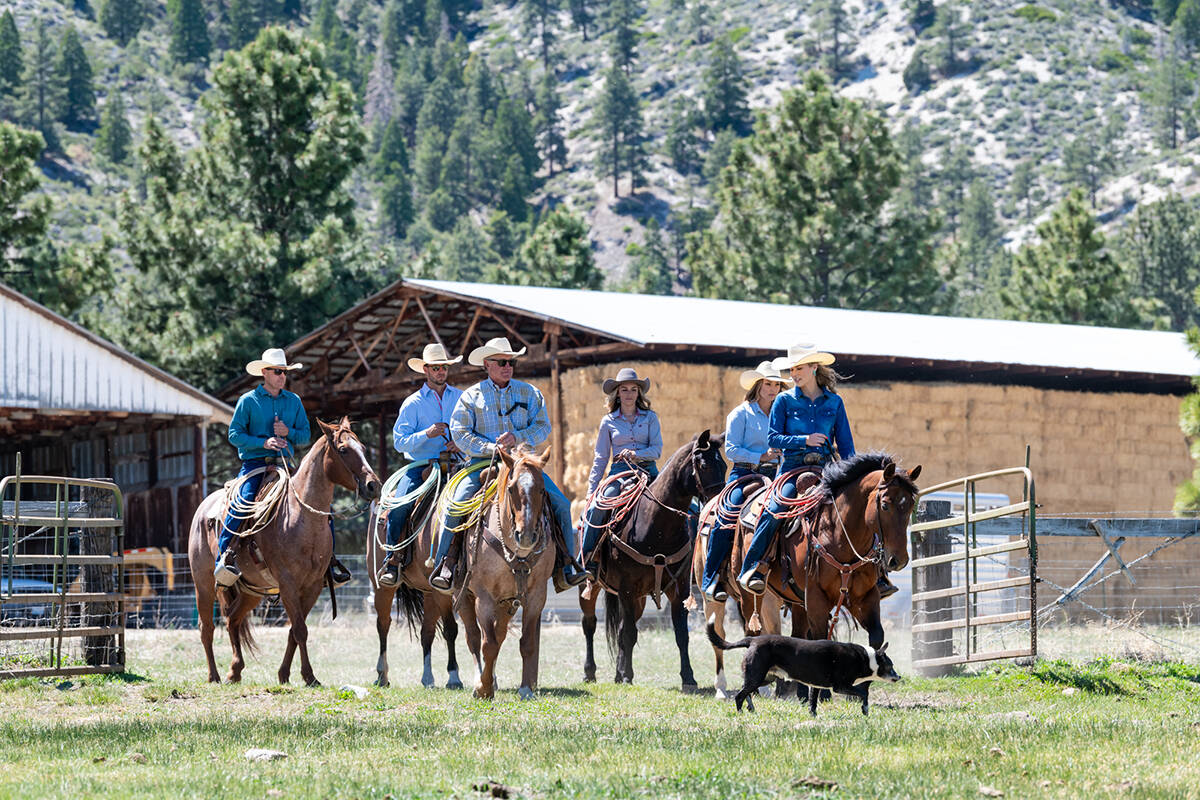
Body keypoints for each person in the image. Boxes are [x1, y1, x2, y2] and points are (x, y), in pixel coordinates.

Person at [431, 337, 587, 593]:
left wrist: (518, 437)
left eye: (510, 362)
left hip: (523, 465)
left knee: (561, 503)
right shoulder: (471, 396)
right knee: (453, 505)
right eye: (502, 362)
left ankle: (567, 566)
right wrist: (493, 448)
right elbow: (459, 433)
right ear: (487, 364)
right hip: (483, 463)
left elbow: (542, 426)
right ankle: (444, 565)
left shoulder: (530, 392)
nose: (508, 366)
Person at [216, 348, 353, 588]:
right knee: (243, 500)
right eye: (278, 371)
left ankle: (328, 560)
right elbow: (234, 434)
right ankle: (225, 554)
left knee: (322, 507)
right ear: (265, 372)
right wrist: (263, 442)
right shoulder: (248, 401)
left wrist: (288, 433)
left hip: (287, 465)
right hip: (256, 464)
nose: (282, 376)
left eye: (284, 372)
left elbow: (304, 436)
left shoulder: (294, 401)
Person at [736, 343, 854, 596]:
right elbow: (773, 439)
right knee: (774, 509)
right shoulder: (784, 400)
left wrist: (851, 476)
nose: (794, 374)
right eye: (792, 369)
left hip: (825, 469)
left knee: (854, 509)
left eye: (799, 368)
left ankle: (875, 574)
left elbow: (846, 446)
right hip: (791, 469)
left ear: (814, 368)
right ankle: (754, 567)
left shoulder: (835, 402)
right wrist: (804, 440)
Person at [377, 343, 465, 588]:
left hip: (458, 464)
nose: (441, 372)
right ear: (426, 370)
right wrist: (426, 433)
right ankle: (393, 561)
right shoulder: (412, 403)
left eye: (444, 367)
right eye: (436, 368)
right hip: (421, 466)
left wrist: (460, 443)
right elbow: (399, 442)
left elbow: (471, 429)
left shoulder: (461, 398)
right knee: (400, 505)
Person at [699, 361, 789, 602]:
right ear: (758, 385)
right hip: (745, 474)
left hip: (776, 475)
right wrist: (761, 456)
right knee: (726, 516)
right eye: (768, 384)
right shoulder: (740, 414)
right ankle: (711, 579)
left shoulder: (783, 414)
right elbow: (731, 450)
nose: (772, 389)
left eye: (776, 384)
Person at [579, 368, 663, 570]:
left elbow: (657, 450)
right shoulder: (608, 421)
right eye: (624, 389)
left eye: (633, 389)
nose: (629, 394)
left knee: (686, 507)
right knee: (597, 508)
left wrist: (636, 455)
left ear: (639, 393)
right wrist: (591, 491)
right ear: (617, 393)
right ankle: (586, 558)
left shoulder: (650, 418)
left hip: (648, 471)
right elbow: (601, 458)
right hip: (620, 472)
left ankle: (686, 561)